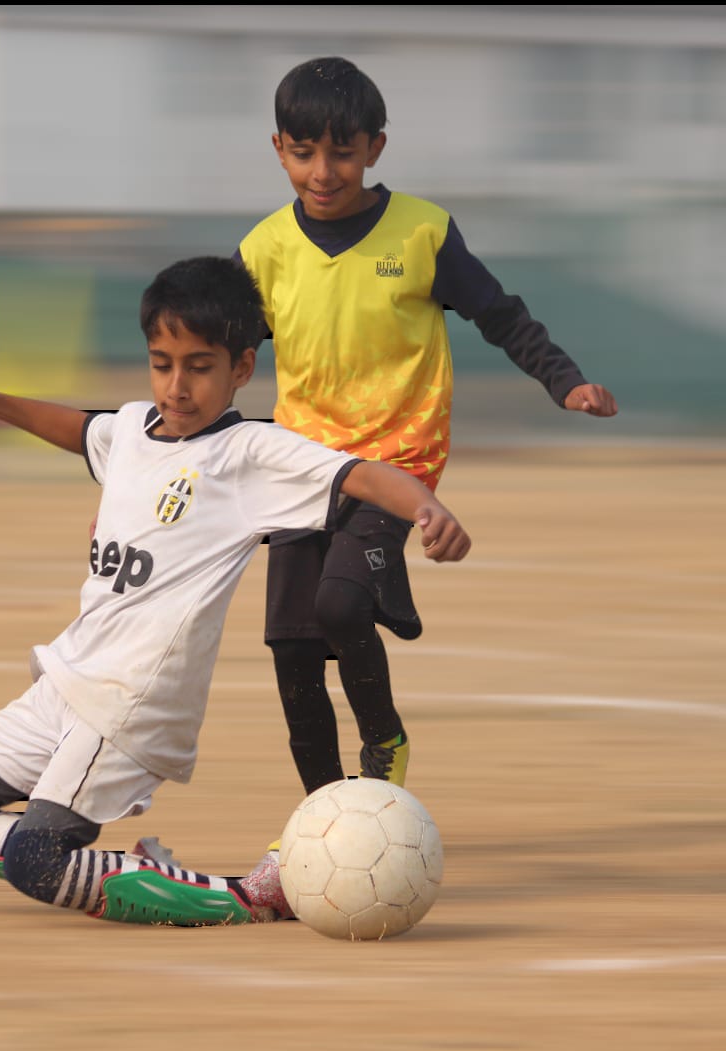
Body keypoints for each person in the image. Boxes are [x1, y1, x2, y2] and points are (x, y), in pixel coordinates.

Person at [0, 256, 471, 927]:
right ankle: (130, 875)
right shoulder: (131, 429)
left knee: (38, 862)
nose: (177, 386)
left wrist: (425, 507)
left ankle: (245, 899)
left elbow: (362, 475)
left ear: (242, 368)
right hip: (64, 682)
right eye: (162, 363)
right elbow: (80, 429)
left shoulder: (249, 453)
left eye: (199, 367)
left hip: (127, 703)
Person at [236, 56, 618, 801]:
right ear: (278, 149)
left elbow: (500, 315)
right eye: (304, 152)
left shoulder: (423, 233)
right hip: (299, 467)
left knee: (340, 605)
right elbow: (222, 360)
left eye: (343, 152)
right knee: (292, 653)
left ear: (375, 148)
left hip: (396, 460)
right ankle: (324, 818)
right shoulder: (263, 250)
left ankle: (383, 737)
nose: (323, 172)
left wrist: (564, 380)